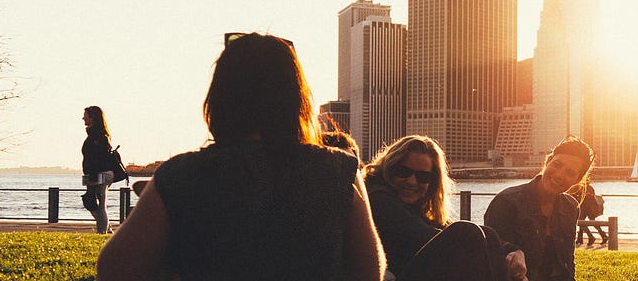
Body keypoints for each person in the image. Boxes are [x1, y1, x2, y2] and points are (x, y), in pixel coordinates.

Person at [96, 33, 383, 281]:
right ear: (297, 99)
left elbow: (114, 268)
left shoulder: (181, 174)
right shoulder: (340, 171)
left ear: (218, 99)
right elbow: (370, 273)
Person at [365, 135, 526, 281]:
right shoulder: (378, 199)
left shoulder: (415, 209)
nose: (412, 182)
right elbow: (422, 236)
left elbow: (443, 229)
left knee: (487, 234)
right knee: (467, 232)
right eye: (404, 171)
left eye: (423, 177)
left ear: (432, 183)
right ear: (389, 168)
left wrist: (512, 251)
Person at [484, 136, 594, 281]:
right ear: (547, 162)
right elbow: (490, 253)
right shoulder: (507, 201)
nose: (560, 175)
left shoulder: (570, 207)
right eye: (557, 164)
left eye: (570, 173)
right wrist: (513, 251)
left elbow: (567, 264)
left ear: (577, 180)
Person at [80, 106, 116, 234]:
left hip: (100, 173)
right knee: (89, 201)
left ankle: (102, 232)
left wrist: (94, 178)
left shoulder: (100, 135)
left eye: (85, 115)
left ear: (92, 117)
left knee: (101, 203)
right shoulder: (92, 134)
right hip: (91, 173)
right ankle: (107, 228)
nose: (83, 118)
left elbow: (99, 158)